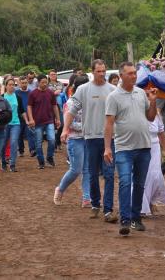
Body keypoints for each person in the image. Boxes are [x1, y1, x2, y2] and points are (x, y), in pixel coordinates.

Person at [104, 61, 158, 236]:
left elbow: (150, 118)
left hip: (144, 147)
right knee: (126, 181)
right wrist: (107, 147)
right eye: (130, 73)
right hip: (124, 148)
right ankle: (125, 220)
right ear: (121, 76)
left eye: (135, 73)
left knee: (140, 184)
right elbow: (109, 123)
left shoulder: (141, 93)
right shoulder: (113, 97)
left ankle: (136, 218)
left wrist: (153, 102)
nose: (134, 76)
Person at [61, 59, 118, 223]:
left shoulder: (113, 90)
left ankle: (108, 210)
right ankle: (95, 204)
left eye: (104, 71)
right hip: (91, 138)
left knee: (109, 174)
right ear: (92, 72)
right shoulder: (84, 90)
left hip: (110, 139)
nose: (102, 74)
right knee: (92, 173)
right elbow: (71, 110)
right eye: (98, 71)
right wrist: (65, 129)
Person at [54, 75, 91, 207]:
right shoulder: (70, 103)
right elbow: (69, 123)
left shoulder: (90, 102)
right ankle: (60, 189)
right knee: (75, 169)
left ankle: (87, 198)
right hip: (75, 139)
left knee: (87, 169)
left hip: (88, 138)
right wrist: (87, 126)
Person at [27, 75, 60, 169]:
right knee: (38, 142)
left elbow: (54, 106)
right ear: (38, 82)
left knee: (52, 140)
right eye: (42, 82)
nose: (45, 84)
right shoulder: (33, 94)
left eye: (46, 82)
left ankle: (49, 157)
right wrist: (31, 119)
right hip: (37, 122)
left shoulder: (50, 93)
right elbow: (29, 107)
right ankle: (41, 161)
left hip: (49, 120)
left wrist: (57, 119)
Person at [141, 113, 165, 216]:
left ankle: (151, 201)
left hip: (154, 148)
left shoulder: (157, 115)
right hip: (139, 146)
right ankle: (142, 207)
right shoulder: (136, 111)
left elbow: (161, 132)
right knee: (143, 176)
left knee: (155, 176)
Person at [1, 78, 28, 172]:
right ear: (6, 86)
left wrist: (27, 121)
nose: (12, 86)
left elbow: (22, 111)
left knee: (13, 142)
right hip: (4, 124)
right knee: (3, 143)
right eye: (10, 84)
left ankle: (12, 164)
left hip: (16, 123)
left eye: (13, 84)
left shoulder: (18, 97)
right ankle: (3, 162)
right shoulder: (2, 97)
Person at [15, 76, 35, 157]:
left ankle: (32, 150)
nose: (24, 84)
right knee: (19, 134)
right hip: (19, 116)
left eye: (25, 83)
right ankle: (21, 150)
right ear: (19, 83)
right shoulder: (16, 93)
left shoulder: (31, 92)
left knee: (30, 133)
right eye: (22, 83)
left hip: (29, 116)